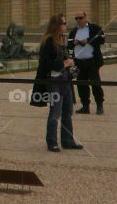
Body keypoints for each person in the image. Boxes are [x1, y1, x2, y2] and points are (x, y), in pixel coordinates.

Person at [37, 14, 83, 152]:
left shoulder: (63, 40)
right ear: (57, 25)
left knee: (68, 111)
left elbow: (65, 58)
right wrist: (63, 63)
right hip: (54, 81)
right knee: (55, 111)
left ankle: (67, 141)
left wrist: (70, 63)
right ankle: (51, 142)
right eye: (63, 23)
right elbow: (45, 64)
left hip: (65, 80)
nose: (65, 26)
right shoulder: (48, 42)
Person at [68, 10, 105, 115]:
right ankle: (85, 106)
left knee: (95, 83)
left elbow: (102, 39)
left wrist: (88, 41)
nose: (78, 20)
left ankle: (99, 105)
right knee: (81, 85)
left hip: (93, 62)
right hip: (80, 62)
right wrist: (74, 43)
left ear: (85, 18)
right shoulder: (74, 31)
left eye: (80, 18)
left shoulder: (95, 28)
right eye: (76, 18)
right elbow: (69, 43)